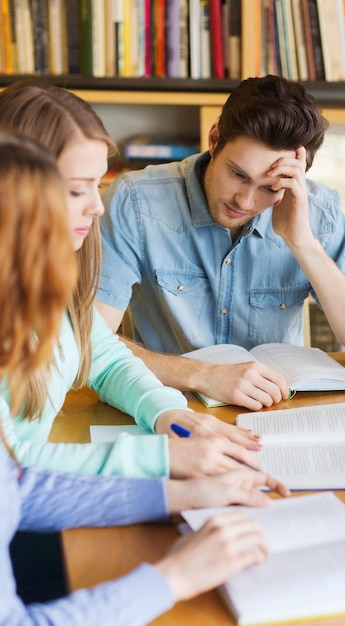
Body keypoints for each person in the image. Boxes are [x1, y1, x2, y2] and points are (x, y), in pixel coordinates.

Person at [0, 130, 289, 624]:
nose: (98, 207)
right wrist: (173, 576)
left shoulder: (39, 284)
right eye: (78, 188)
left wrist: (177, 484)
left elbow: (17, 488)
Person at [0, 79, 262, 479]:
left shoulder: (42, 276)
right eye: (76, 190)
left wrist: (170, 415)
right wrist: (161, 461)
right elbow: (8, 465)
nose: (96, 208)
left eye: (96, 185)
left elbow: (102, 359)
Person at [96, 74, 345, 411]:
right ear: (215, 139)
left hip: (277, 413)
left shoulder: (318, 213)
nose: (245, 201)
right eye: (238, 174)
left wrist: (302, 242)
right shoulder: (135, 202)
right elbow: (88, 343)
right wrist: (204, 375)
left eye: (269, 188)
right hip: (169, 407)